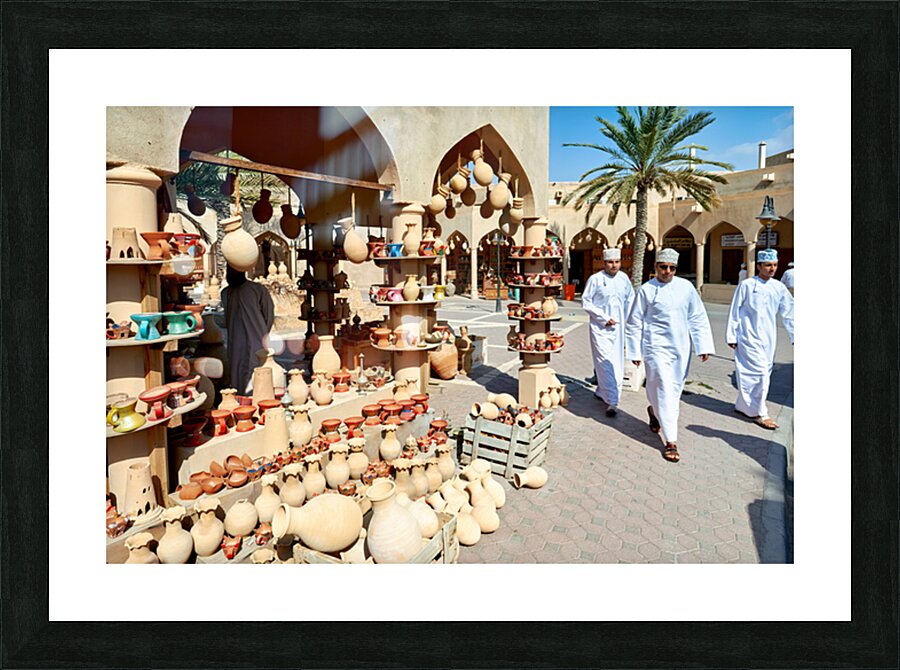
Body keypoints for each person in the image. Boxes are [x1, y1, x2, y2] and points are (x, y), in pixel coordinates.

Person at [626, 248, 715, 463]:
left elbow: (697, 317)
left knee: (673, 389)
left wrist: (703, 345)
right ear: (656, 267)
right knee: (664, 386)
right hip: (655, 347)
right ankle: (671, 441)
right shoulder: (647, 290)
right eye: (663, 267)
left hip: (680, 348)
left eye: (671, 268)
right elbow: (634, 321)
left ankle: (655, 412)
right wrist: (634, 351)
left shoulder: (686, 288)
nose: (667, 271)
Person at [726, 248, 794, 430]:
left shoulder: (778, 287)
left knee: (761, 373)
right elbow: (735, 310)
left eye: (774, 265)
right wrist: (732, 335)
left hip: (768, 338)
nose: (772, 269)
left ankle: (744, 406)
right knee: (758, 374)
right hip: (747, 335)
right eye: (768, 265)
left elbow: (790, 312)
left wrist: (795, 335)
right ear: (759, 266)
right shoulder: (747, 285)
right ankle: (761, 413)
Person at [582, 247, 635, 417]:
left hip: (618, 329)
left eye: (617, 262)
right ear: (604, 263)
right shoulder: (595, 279)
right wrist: (604, 317)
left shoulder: (624, 279)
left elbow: (630, 301)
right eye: (610, 262)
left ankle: (602, 392)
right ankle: (613, 401)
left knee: (616, 361)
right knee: (604, 361)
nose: (614, 265)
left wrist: (630, 323)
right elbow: (586, 302)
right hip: (600, 328)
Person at [222, 264, 275, 394]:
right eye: (229, 270)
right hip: (236, 347)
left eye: (234, 270)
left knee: (259, 379)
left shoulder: (258, 290)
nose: (231, 273)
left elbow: (269, 315)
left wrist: (260, 334)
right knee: (238, 380)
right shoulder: (225, 293)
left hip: (257, 343)